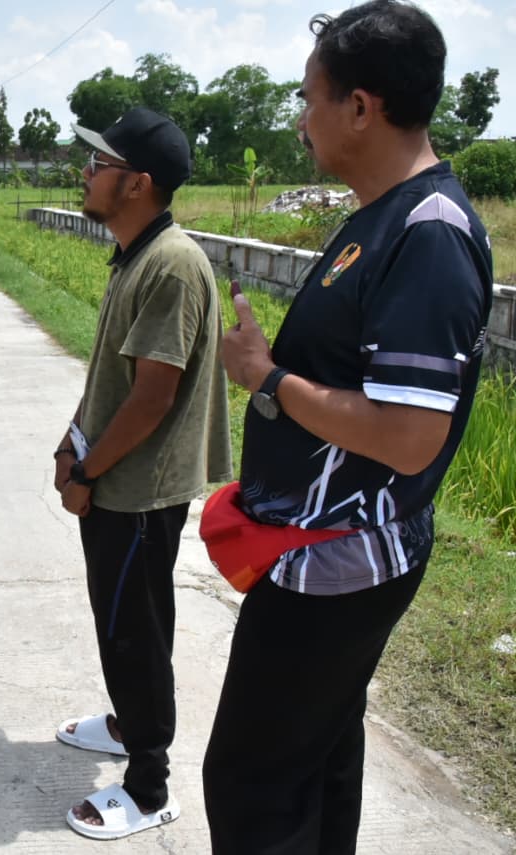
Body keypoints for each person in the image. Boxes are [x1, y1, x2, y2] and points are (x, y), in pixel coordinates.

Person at [203, 2, 494, 852]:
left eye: (309, 99)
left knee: (252, 781)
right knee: (317, 759)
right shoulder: (381, 214)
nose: (301, 122)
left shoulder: (427, 232)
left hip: (338, 561)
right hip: (323, 549)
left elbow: (409, 435)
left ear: (361, 107)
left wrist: (267, 377)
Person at [53, 107, 233, 841]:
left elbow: (152, 396)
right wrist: (71, 442)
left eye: (100, 165)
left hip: (137, 486)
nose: (87, 174)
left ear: (140, 183)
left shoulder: (172, 264)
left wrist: (88, 468)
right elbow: (110, 377)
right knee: (124, 616)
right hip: (115, 476)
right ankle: (129, 722)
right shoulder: (135, 252)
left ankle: (149, 781)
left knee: (135, 629)